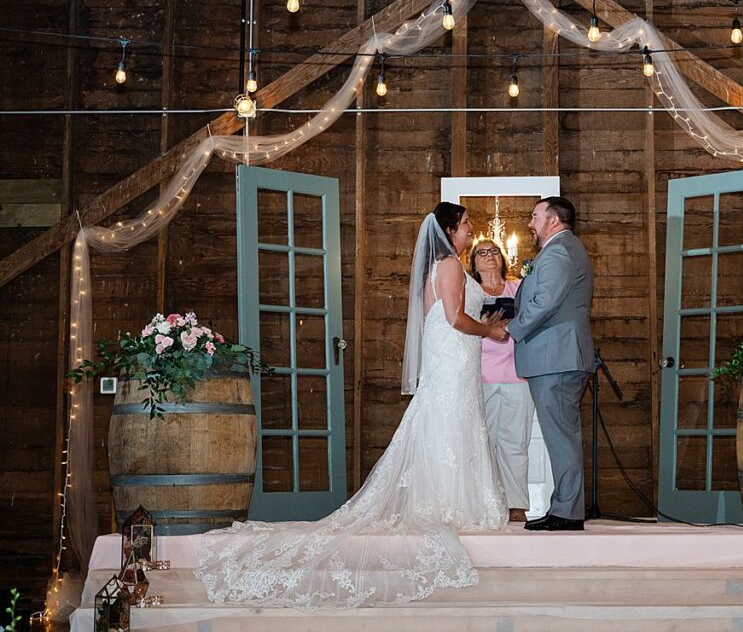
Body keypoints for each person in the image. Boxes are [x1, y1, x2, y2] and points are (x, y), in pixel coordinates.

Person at [196, 202, 510, 608]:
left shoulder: (445, 265)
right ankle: (446, 501)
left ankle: (448, 497)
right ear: (450, 231)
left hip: (454, 360)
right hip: (453, 357)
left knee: (448, 422)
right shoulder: (448, 265)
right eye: (467, 225)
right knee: (448, 422)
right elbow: (452, 317)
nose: (471, 230)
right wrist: (491, 331)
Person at [506, 197, 594, 532]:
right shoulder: (565, 249)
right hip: (557, 355)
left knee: (561, 436)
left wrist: (511, 329)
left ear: (554, 221)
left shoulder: (559, 252)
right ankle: (565, 506)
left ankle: (568, 512)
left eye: (535, 217)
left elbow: (545, 302)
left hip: (556, 356)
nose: (530, 223)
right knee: (562, 434)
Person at [470, 239, 533, 523]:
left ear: (502, 257)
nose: (488, 256)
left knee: (515, 443)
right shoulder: (468, 292)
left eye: (493, 250)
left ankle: (516, 504)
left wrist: (512, 324)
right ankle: (485, 503)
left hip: (517, 374)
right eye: (481, 253)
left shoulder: (517, 288)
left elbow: (534, 315)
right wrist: (488, 327)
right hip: (480, 375)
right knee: (483, 443)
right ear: (472, 263)